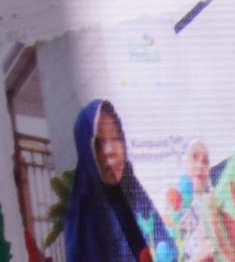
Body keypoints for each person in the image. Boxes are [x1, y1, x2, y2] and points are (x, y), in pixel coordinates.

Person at [58, 102, 182, 262]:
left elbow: (164, 243)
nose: (111, 151)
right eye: (99, 143)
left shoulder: (134, 194)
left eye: (116, 139)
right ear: (86, 152)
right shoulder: (82, 222)